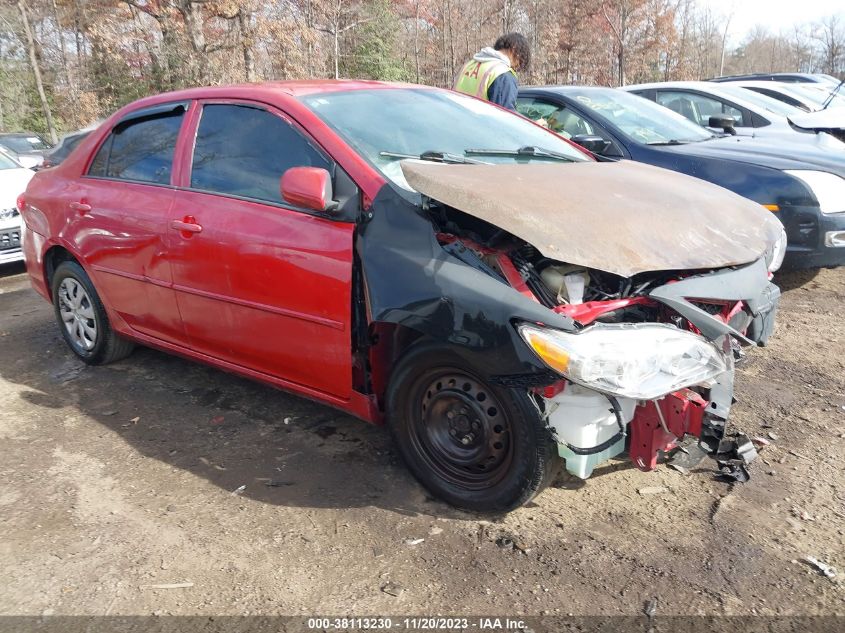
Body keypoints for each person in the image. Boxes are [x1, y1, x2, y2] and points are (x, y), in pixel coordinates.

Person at [453, 33, 531, 111]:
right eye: (520, 61)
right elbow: (505, 116)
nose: (515, 68)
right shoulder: (502, 74)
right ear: (514, 50)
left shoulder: (469, 65)